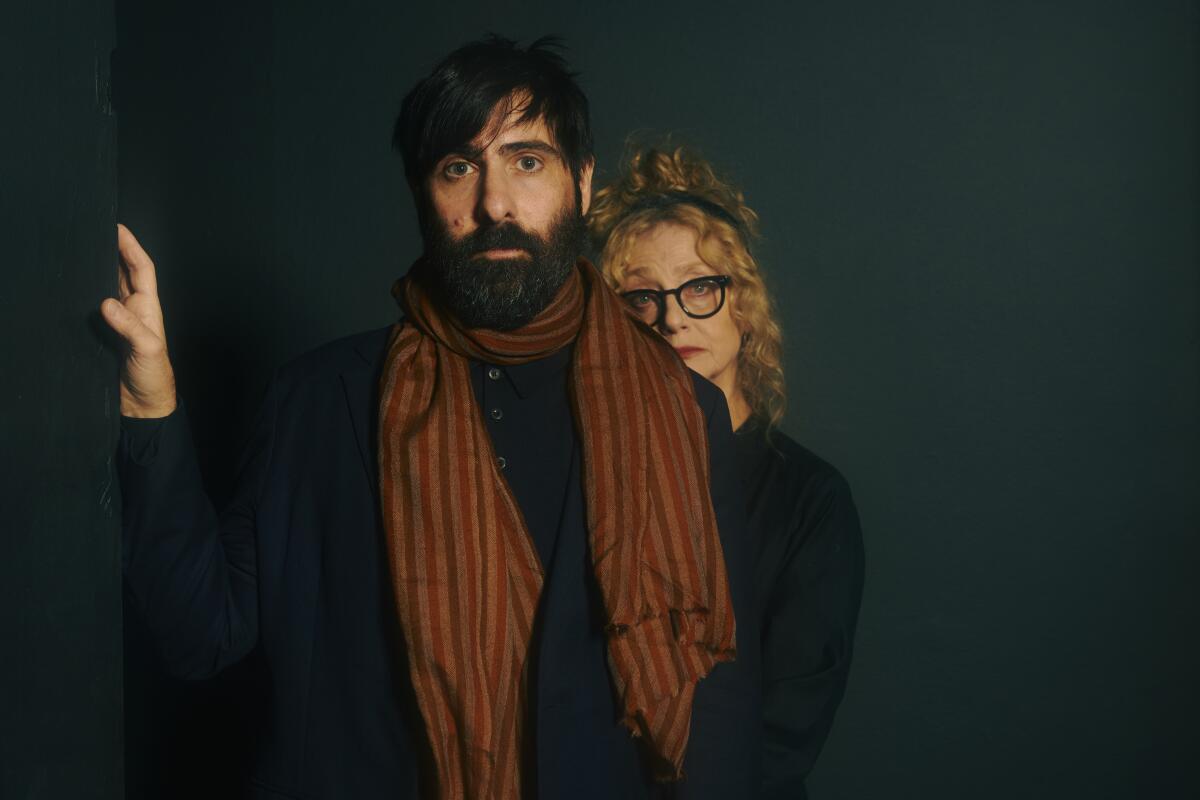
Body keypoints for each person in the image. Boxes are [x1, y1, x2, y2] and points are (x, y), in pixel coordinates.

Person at [100, 39, 760, 800]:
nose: (495, 204)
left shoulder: (682, 409)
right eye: (459, 167)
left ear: (581, 182)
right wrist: (150, 405)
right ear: (424, 193)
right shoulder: (322, 401)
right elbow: (198, 635)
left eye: (528, 161)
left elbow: (720, 693)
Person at [589, 146, 865, 799]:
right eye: (641, 297)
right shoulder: (594, 477)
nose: (673, 315)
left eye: (700, 286)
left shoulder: (811, 497)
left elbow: (787, 729)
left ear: (744, 303)